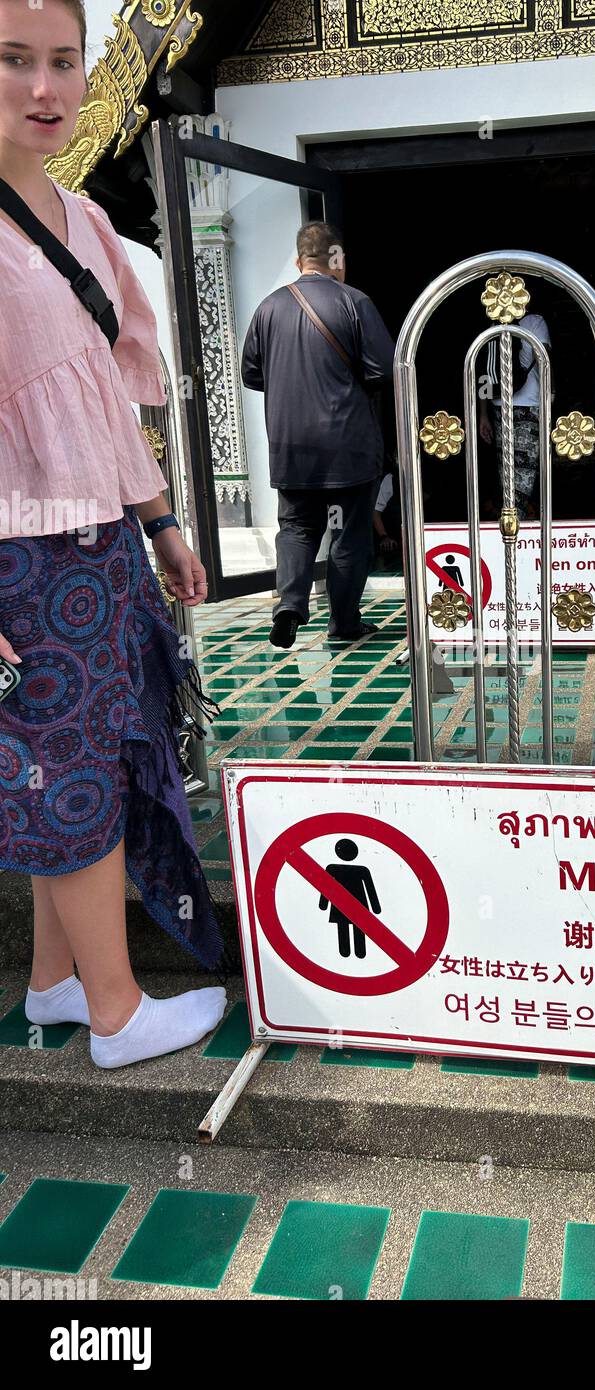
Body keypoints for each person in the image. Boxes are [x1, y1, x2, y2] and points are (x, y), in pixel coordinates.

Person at [0, 0, 227, 1069]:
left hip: (100, 544)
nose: (43, 89)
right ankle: (118, 1013)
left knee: (72, 760)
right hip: (21, 559)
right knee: (73, 774)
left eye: (61, 61)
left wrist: (162, 521)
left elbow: (103, 391)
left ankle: (53, 984)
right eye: (11, 61)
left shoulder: (82, 219)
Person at [241, 222, 395, 646]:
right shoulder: (354, 302)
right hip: (346, 445)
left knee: (296, 528)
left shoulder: (269, 307)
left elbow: (250, 373)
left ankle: (290, 605)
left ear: (298, 261)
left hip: (291, 446)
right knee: (347, 534)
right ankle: (343, 623)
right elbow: (384, 370)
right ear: (338, 259)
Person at [479, 311, 551, 520]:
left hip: (499, 403)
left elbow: (483, 372)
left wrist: (483, 414)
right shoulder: (534, 321)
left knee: (507, 469)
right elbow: (543, 361)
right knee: (526, 470)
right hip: (529, 404)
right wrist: (551, 394)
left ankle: (510, 517)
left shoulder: (492, 322)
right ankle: (516, 522)